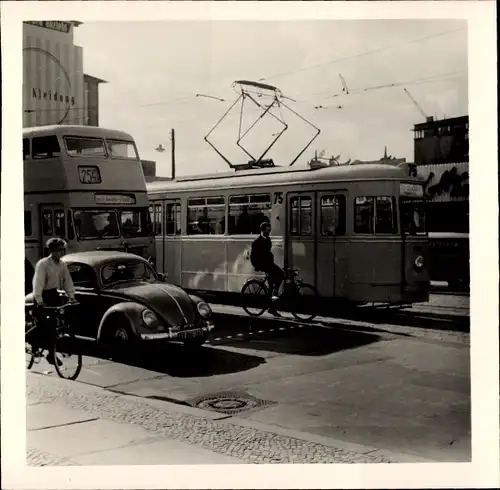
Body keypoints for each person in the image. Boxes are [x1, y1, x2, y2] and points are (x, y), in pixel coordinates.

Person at [30, 238, 78, 365]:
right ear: (51, 250)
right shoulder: (43, 264)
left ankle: (54, 350)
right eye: (58, 250)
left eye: (62, 250)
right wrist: (39, 300)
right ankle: (36, 347)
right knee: (44, 324)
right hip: (43, 295)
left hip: (53, 294)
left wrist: (71, 296)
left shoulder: (62, 265)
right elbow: (38, 283)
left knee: (60, 322)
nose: (60, 253)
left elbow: (67, 280)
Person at [250, 221, 284, 317]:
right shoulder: (256, 242)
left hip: (269, 264)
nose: (269, 232)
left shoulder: (268, 240)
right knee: (280, 274)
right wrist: (257, 266)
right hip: (263, 265)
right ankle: (274, 295)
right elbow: (253, 257)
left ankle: (272, 303)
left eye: (269, 230)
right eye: (267, 230)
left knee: (275, 279)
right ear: (262, 230)